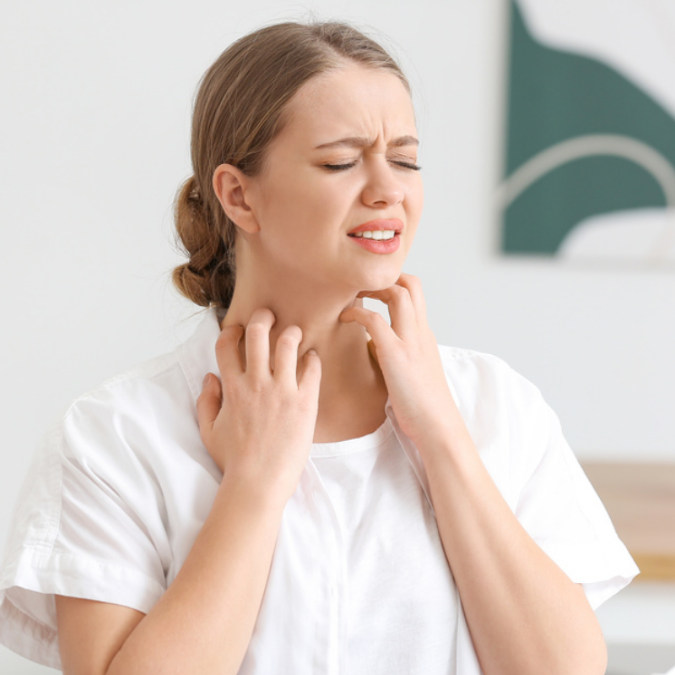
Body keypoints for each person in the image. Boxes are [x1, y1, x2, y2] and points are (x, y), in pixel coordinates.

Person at [0, 20, 638, 675]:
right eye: (341, 161)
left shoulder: (496, 406)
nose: (389, 189)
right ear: (238, 195)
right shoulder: (114, 437)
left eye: (405, 159)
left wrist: (442, 436)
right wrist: (253, 485)